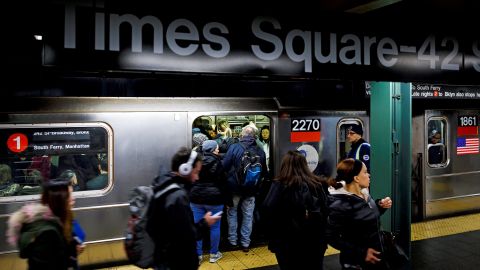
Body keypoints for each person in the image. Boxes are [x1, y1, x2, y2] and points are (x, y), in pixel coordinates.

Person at [146, 147, 221, 270]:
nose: (197, 178)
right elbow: (187, 236)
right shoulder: (177, 197)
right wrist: (205, 223)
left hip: (163, 259)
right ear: (185, 169)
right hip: (177, 262)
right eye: (196, 172)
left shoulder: (162, 185)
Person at [262, 150, 329, 270]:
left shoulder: (279, 185)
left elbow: (267, 210)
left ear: (284, 166)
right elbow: (326, 211)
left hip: (286, 243)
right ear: (305, 165)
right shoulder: (317, 184)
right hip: (314, 242)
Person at [326, 158, 393, 270]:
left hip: (376, 257)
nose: (369, 175)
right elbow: (331, 236)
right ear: (356, 178)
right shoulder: (340, 205)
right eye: (365, 172)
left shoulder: (363, 193)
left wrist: (380, 205)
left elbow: (364, 216)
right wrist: (362, 252)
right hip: (357, 263)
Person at [6, 177, 82, 270]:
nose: (73, 199)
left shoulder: (58, 219)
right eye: (70, 195)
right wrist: (71, 254)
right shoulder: (47, 234)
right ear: (59, 199)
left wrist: (72, 249)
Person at [222, 124, 267, 252]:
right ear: (255, 136)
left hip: (235, 189)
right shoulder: (260, 150)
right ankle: (245, 243)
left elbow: (224, 166)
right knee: (248, 215)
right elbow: (264, 172)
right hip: (251, 189)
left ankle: (232, 241)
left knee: (232, 213)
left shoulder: (234, 148)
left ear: (241, 135)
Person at [189, 140, 228, 263]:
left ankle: (198, 255)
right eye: (216, 148)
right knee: (215, 227)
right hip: (214, 199)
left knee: (197, 225)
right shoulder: (219, 163)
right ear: (212, 150)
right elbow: (223, 183)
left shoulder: (196, 162)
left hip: (196, 199)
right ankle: (213, 255)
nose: (218, 150)